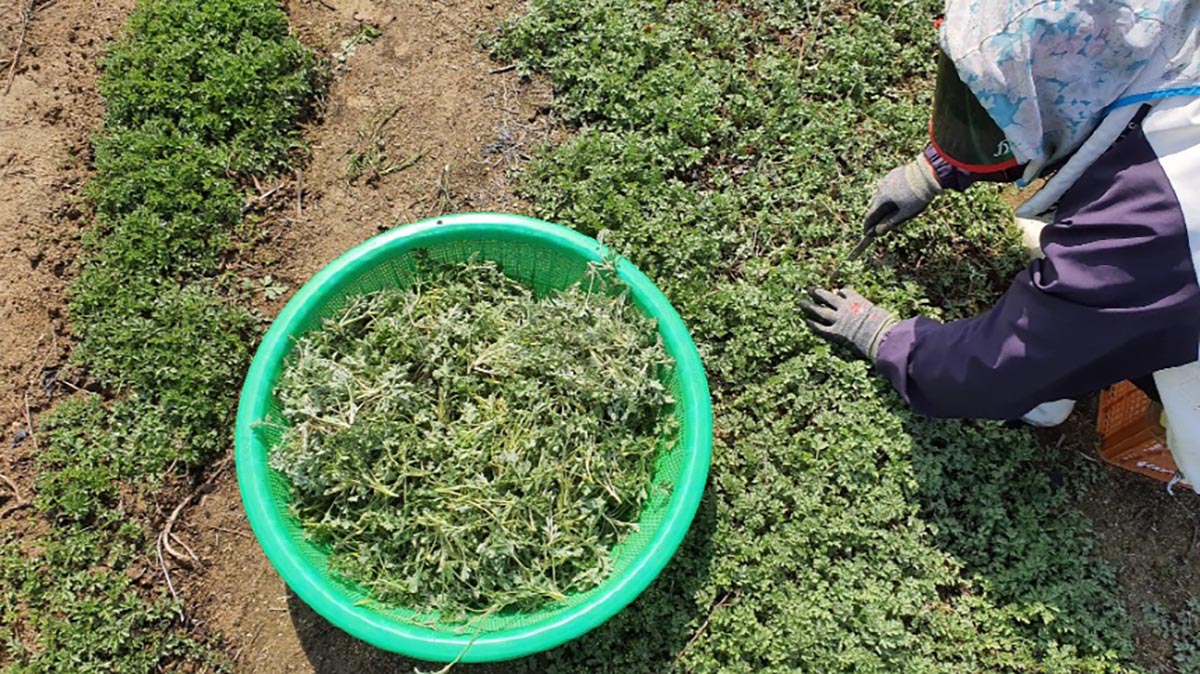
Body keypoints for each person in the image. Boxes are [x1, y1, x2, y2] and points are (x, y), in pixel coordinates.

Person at [801, 1, 1200, 482]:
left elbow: (1002, 364)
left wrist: (886, 339)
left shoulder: (1151, 224)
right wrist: (936, 169)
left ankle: (1069, 394)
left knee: (1189, 411)